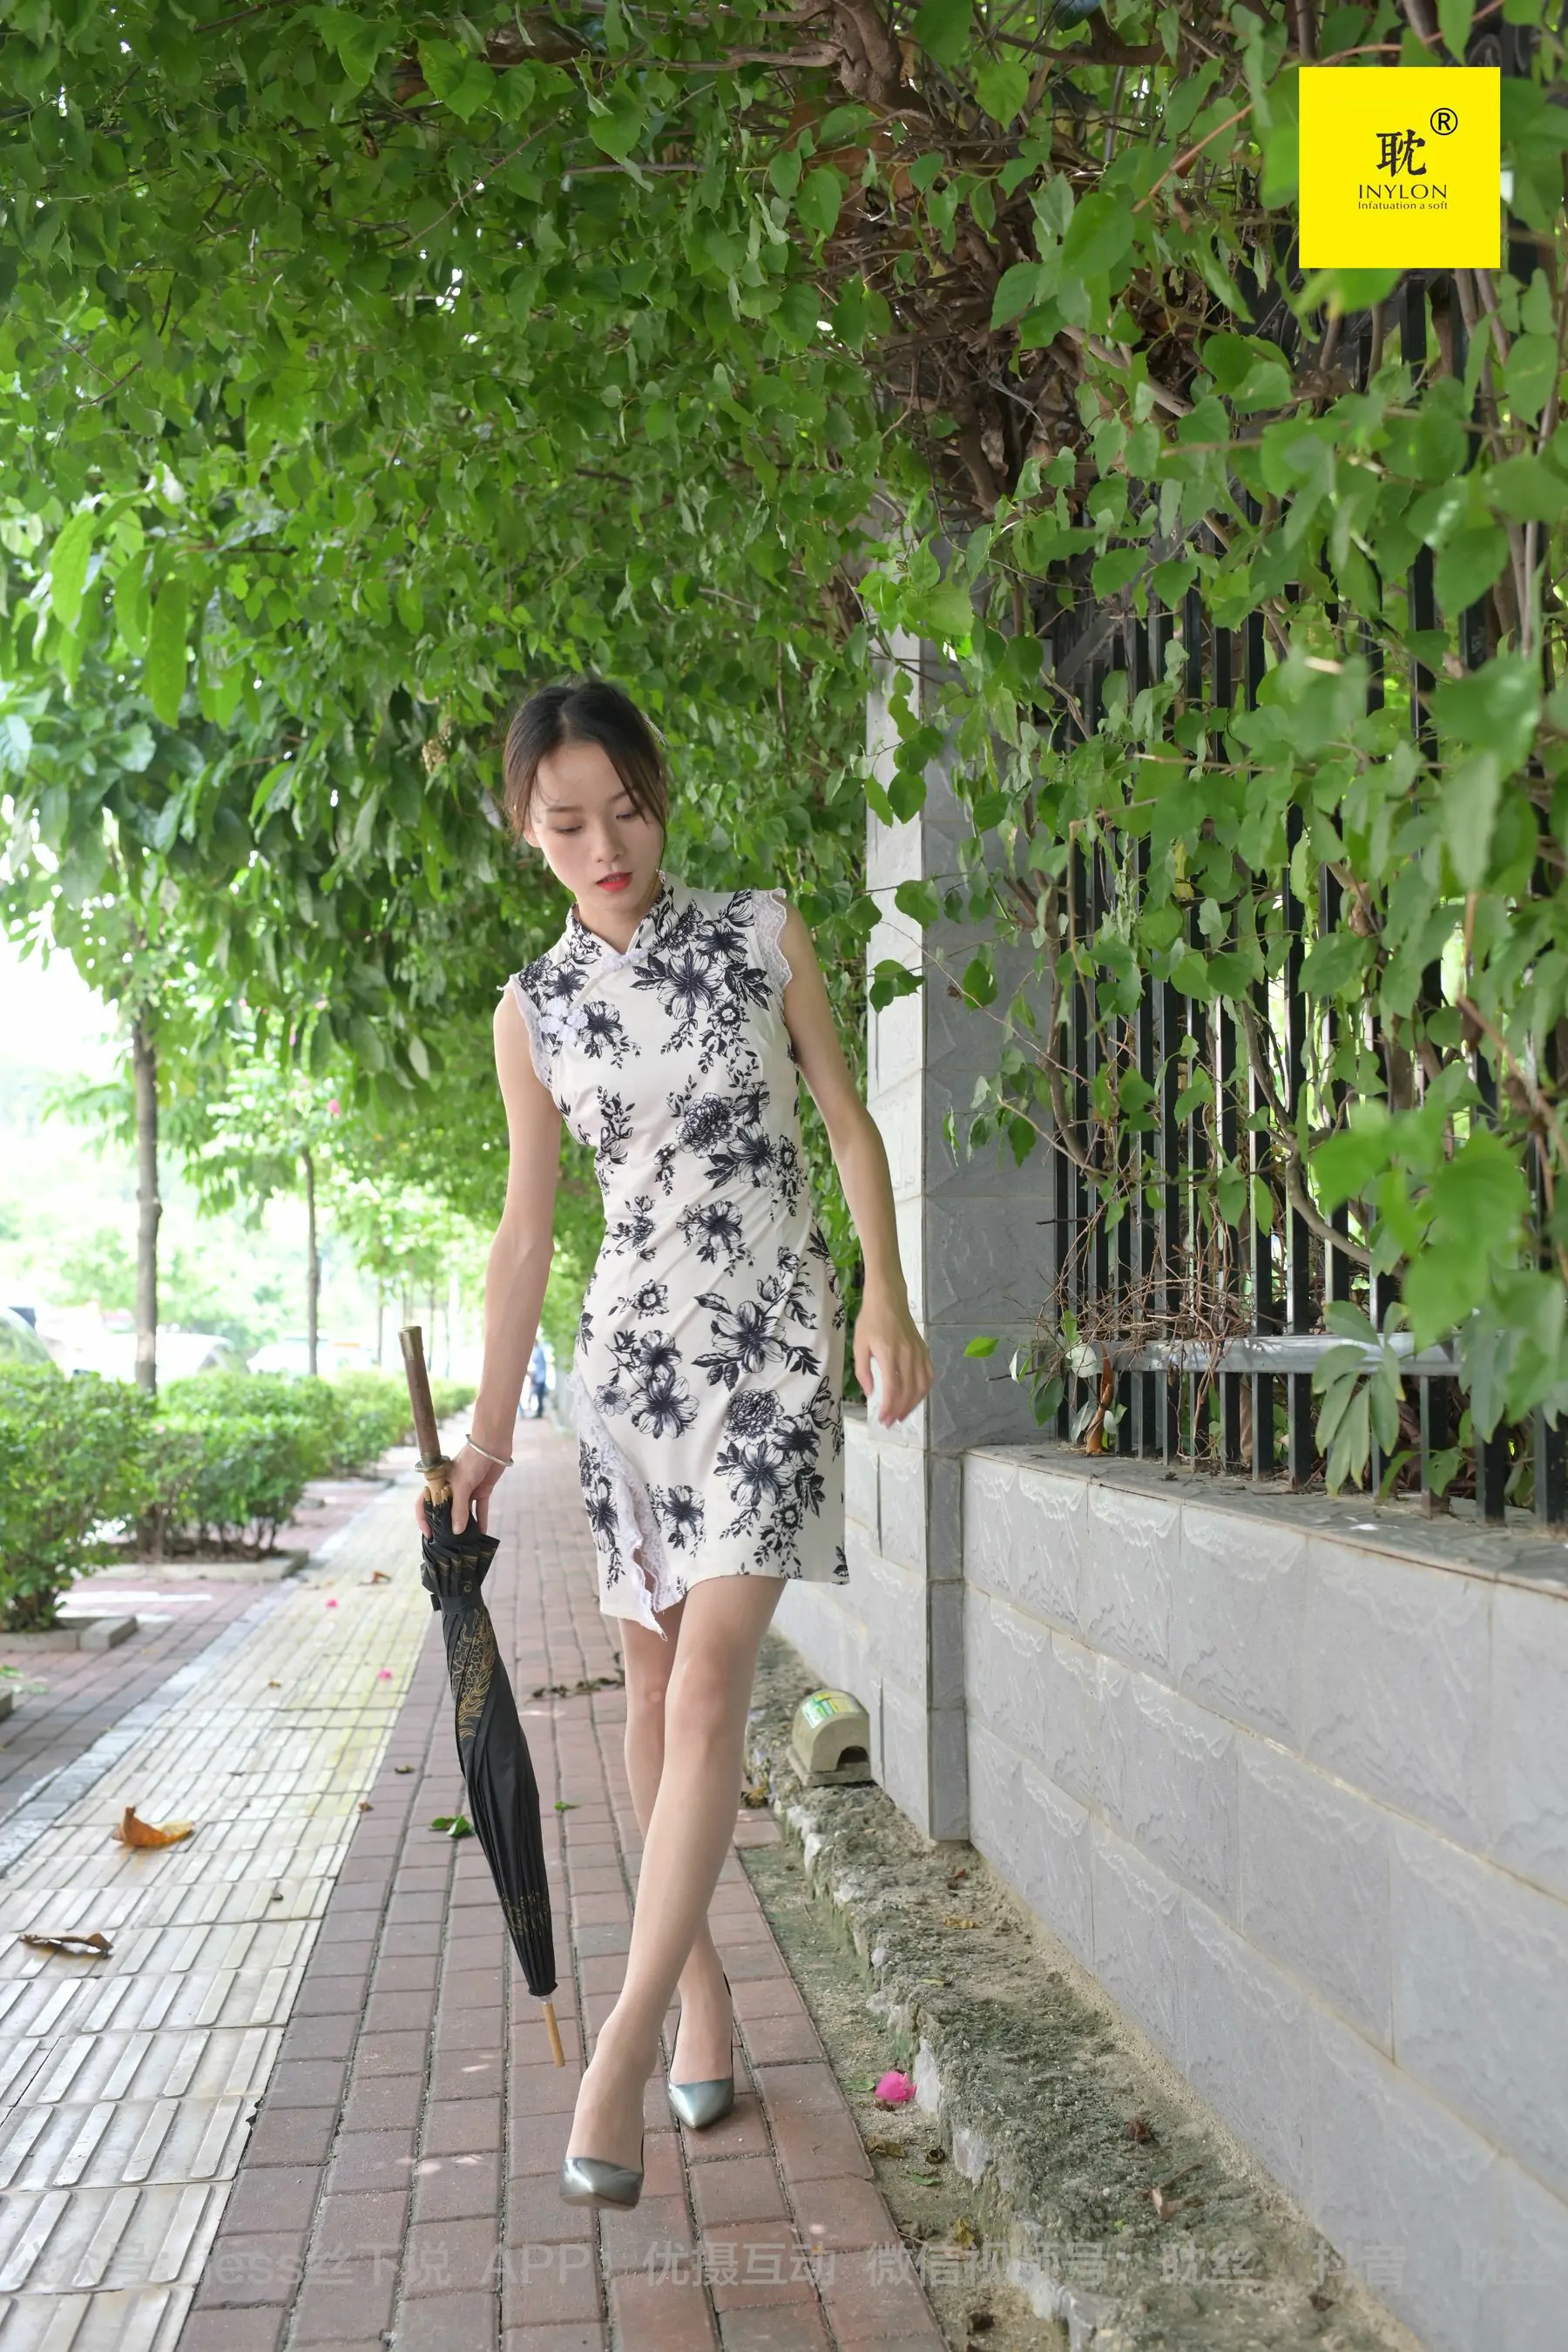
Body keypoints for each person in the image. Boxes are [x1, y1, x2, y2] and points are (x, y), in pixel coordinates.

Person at [416, 675, 933, 2211]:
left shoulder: (763, 934)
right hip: (632, 1378)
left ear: (658, 793)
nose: (607, 846)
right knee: (650, 1689)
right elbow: (527, 1232)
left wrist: (886, 1296)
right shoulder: (531, 1011)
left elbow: (846, 1122)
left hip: (774, 1352)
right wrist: (489, 1438)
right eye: (568, 824)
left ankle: (622, 2046)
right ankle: (699, 1991)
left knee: (710, 1681)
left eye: (626, 809)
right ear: (526, 832)